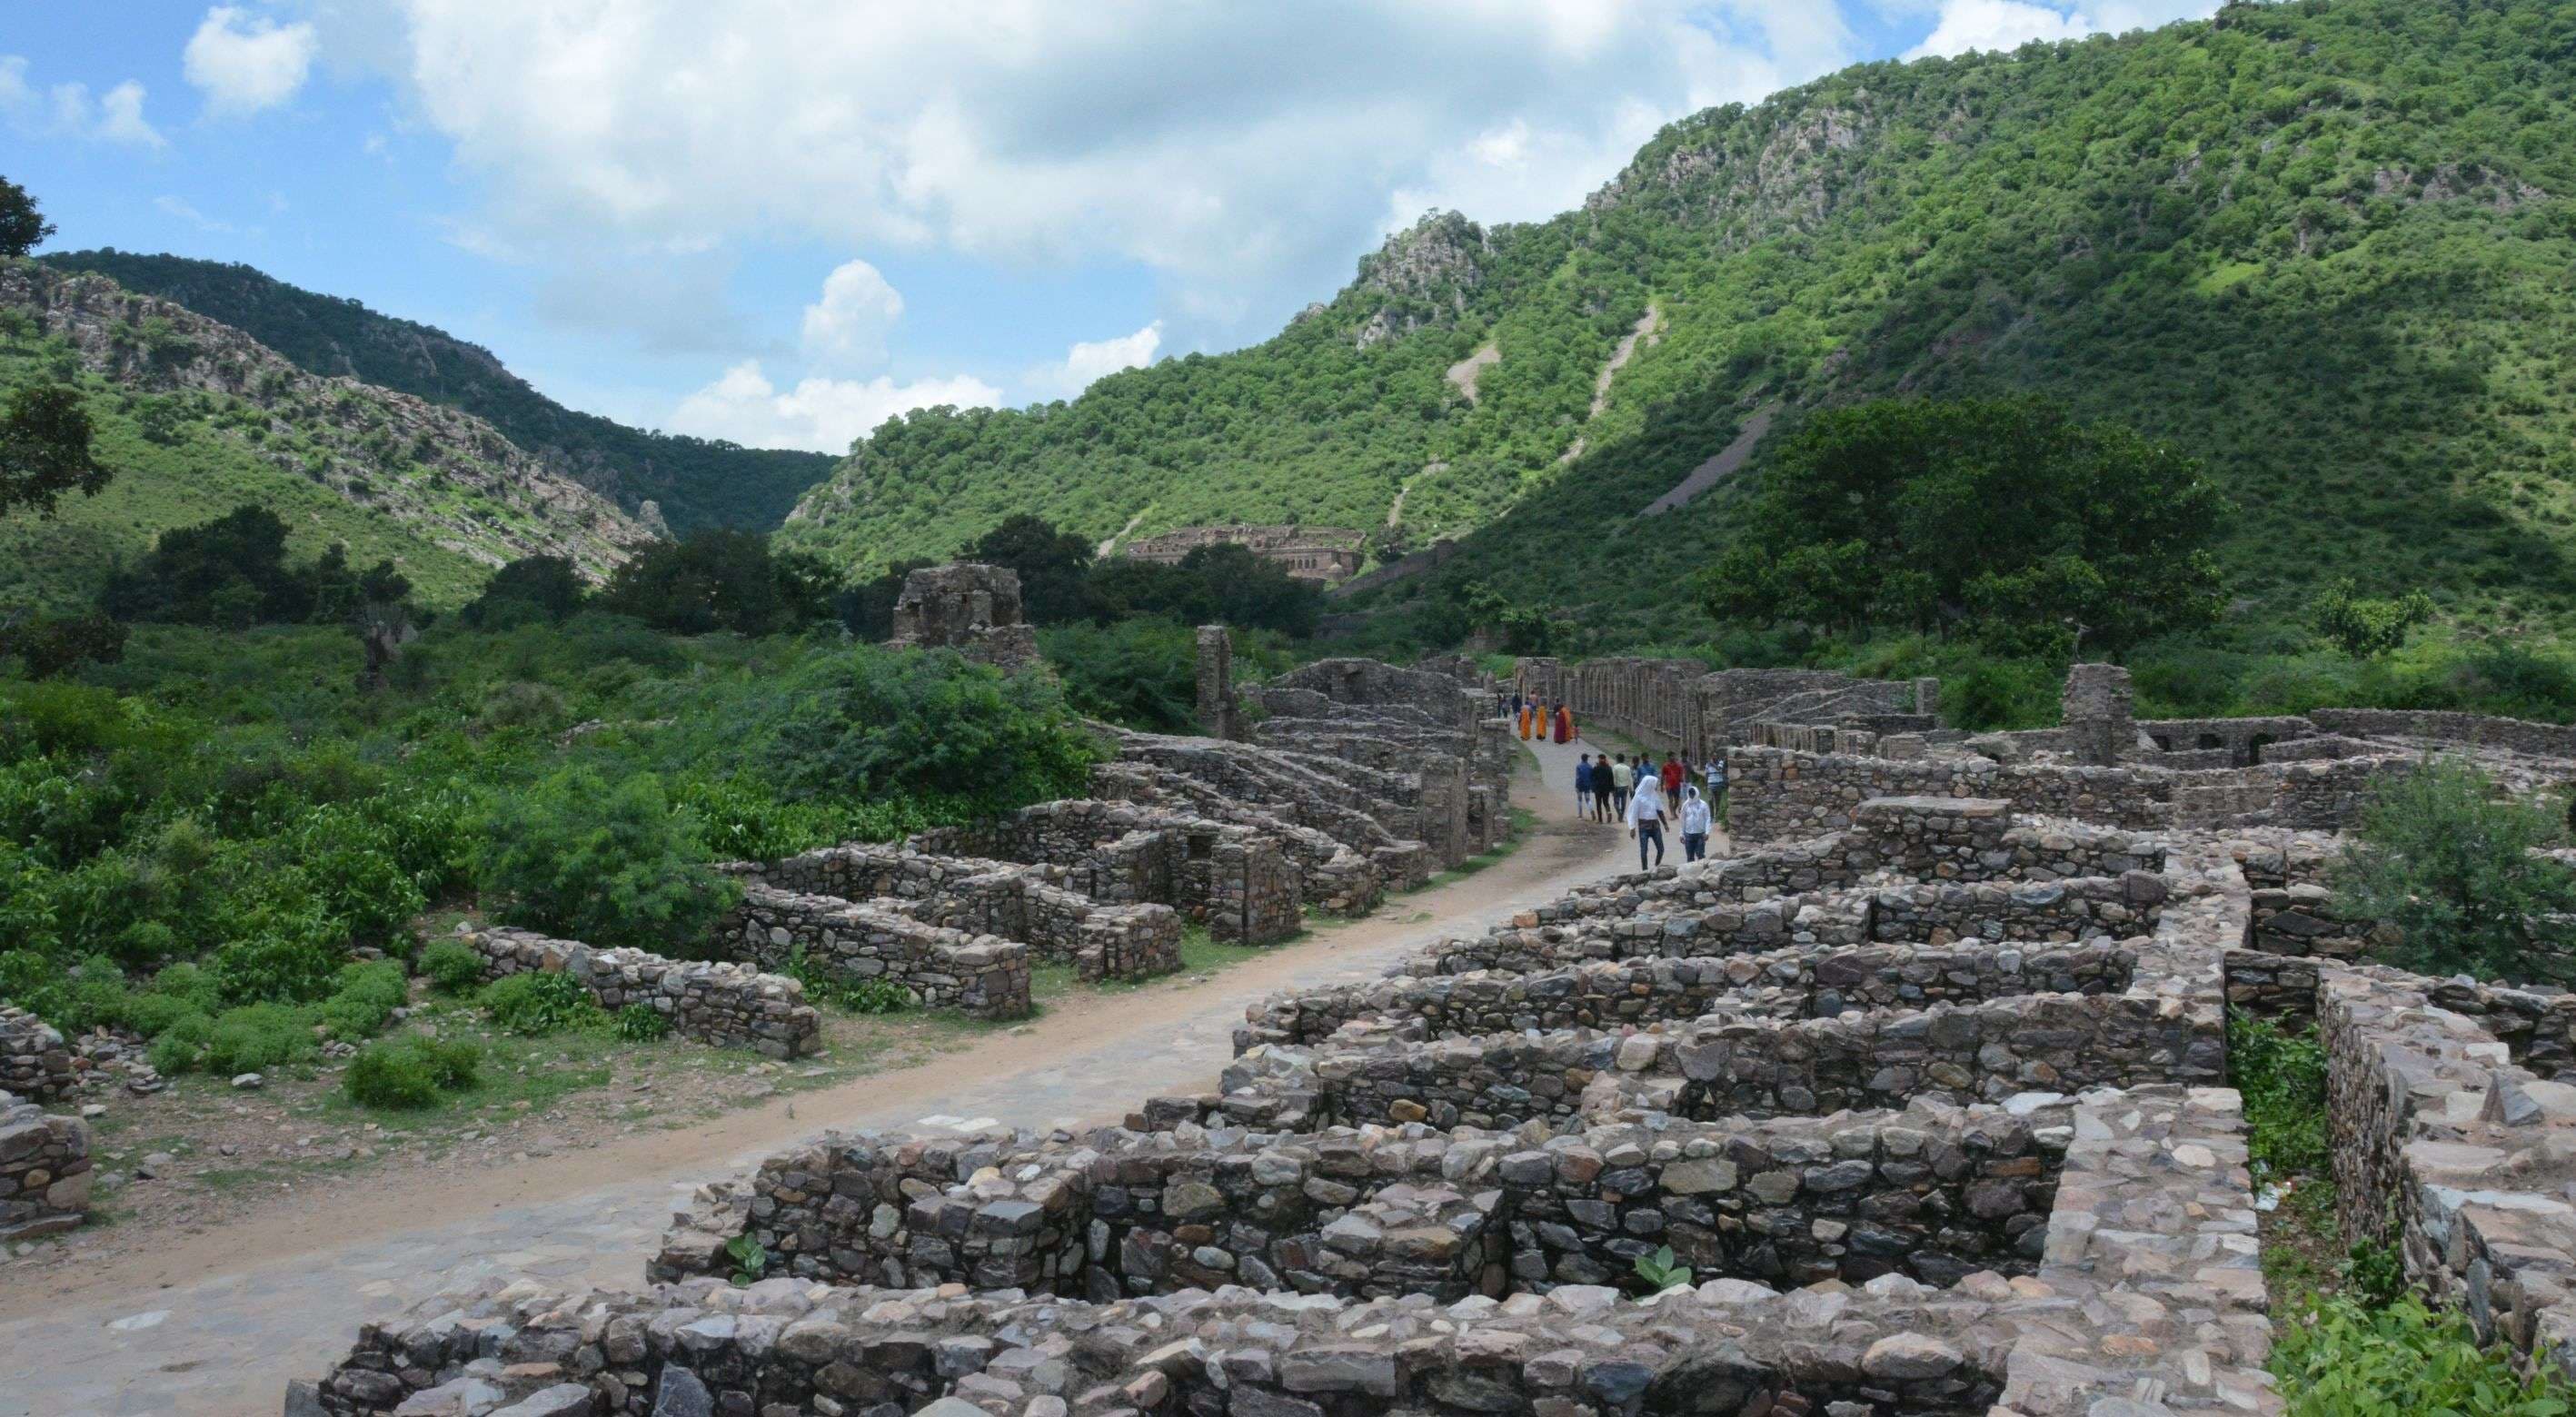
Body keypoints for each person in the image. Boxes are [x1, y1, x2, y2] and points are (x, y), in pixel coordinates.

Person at [1626, 768, 1667, 870]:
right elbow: (1633, 813)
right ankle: (1645, 870)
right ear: (1649, 784)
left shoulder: (1654, 796)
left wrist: (1665, 824)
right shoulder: (1638, 798)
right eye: (1654, 784)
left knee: (1661, 849)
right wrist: (1632, 828)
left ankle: (1656, 866)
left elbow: (1659, 811)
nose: (1656, 786)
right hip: (1644, 827)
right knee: (1644, 851)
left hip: (1655, 826)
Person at [1678, 784, 1712, 863]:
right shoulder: (1685, 805)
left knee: (1700, 856)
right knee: (1690, 857)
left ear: (1697, 793)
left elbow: (1708, 818)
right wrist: (1681, 834)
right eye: (1690, 794)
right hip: (1688, 835)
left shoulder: (1703, 805)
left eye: (1693, 794)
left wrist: (1707, 832)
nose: (1692, 796)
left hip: (1700, 835)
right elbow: (1682, 820)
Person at [1701, 754, 1729, 829]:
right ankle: (1711, 816)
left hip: (1718, 784)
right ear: (1711, 757)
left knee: (1717, 802)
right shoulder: (1708, 765)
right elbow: (1706, 775)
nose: (1714, 757)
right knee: (1710, 800)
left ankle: (1717, 816)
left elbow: (1719, 769)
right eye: (1713, 756)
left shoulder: (1720, 763)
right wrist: (1705, 784)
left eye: (1716, 756)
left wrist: (1712, 764)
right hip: (1710, 785)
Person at [1608, 754, 1633, 818]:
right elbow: (1630, 778)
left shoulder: (1615, 767)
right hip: (1625, 787)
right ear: (1623, 759)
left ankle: (1619, 813)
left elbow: (1614, 778)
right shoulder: (1627, 768)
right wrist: (1631, 789)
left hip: (1617, 787)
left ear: (1617, 759)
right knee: (1623, 802)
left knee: (1616, 803)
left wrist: (1612, 788)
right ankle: (1621, 815)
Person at [1573, 753, 1594, 818]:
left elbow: (1577, 777)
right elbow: (1592, 777)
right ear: (1587, 759)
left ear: (1581, 758)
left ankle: (1580, 814)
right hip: (1587, 784)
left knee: (1579, 799)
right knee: (1588, 799)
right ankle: (1591, 810)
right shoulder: (1590, 767)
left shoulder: (1578, 766)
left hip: (1580, 784)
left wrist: (1576, 785)